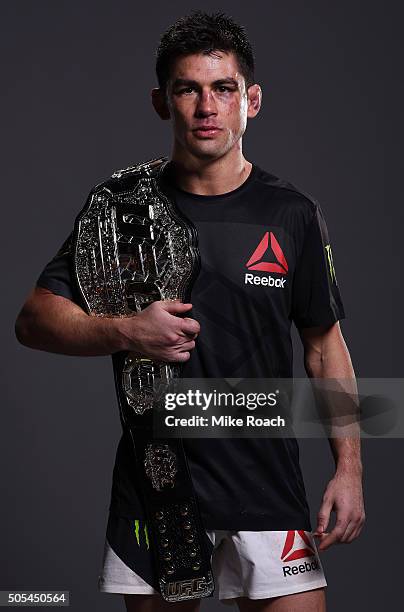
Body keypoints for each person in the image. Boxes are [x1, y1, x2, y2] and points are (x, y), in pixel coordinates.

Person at [15, 10, 365, 612]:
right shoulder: (120, 209)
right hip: (158, 490)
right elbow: (33, 320)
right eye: (188, 89)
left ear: (251, 99)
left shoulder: (293, 214)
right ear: (161, 102)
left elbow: (323, 346)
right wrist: (125, 330)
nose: (207, 106)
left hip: (267, 486)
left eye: (223, 89)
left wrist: (350, 469)